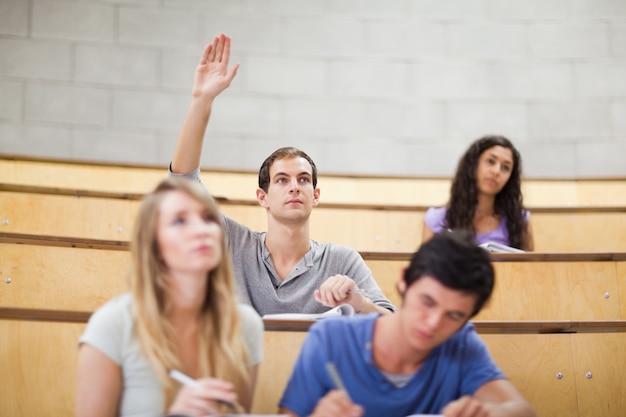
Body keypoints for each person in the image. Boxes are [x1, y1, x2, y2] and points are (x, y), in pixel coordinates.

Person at [169, 33, 396, 316]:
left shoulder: (341, 260)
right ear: (262, 197)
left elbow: (394, 326)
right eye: (282, 180)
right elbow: (182, 186)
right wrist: (202, 100)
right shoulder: (233, 243)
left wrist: (359, 303)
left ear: (316, 195)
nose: (294, 187)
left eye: (303, 179)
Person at [278, 231, 537, 417]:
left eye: (455, 315)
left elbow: (523, 411)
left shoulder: (460, 344)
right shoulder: (330, 339)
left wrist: (486, 413)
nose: (434, 323)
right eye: (427, 301)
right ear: (404, 281)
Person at [76, 177, 263, 417]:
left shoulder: (246, 325)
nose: (201, 230)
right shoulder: (112, 324)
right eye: (179, 221)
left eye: (208, 218)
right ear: (155, 245)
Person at [422, 135, 534, 251]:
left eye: (505, 168)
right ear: (473, 165)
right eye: (490, 161)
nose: (496, 171)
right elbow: (425, 267)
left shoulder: (518, 220)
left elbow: (529, 268)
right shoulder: (437, 220)